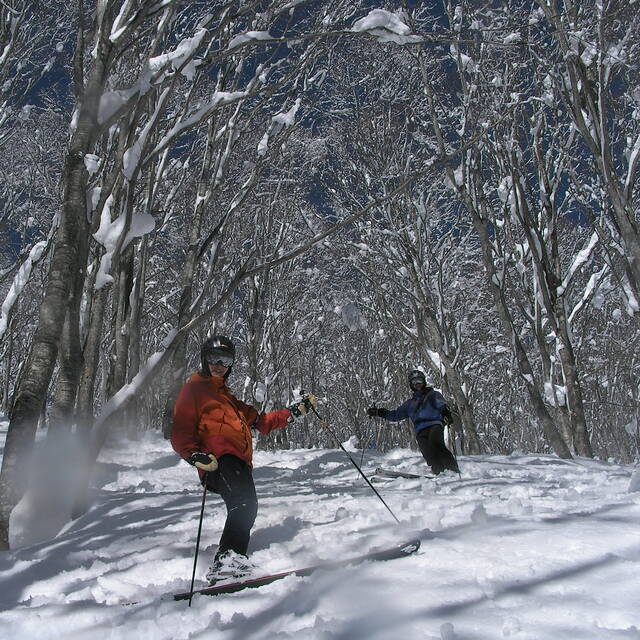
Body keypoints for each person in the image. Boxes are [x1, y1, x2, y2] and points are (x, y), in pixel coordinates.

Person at [170, 334, 316, 584]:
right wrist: (194, 455)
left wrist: (294, 412)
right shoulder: (194, 389)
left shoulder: (231, 401)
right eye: (213, 358)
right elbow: (180, 429)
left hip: (238, 463)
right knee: (244, 503)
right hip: (217, 460)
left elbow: (263, 422)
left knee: (246, 504)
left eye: (225, 360)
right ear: (204, 360)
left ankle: (230, 559)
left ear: (231, 365)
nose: (218, 364)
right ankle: (228, 560)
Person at [367, 369, 459, 475]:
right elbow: (395, 415)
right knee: (427, 453)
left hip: (434, 424)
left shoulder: (433, 395)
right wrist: (379, 412)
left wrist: (446, 414)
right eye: (414, 382)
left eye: (419, 381)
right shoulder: (410, 404)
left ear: (424, 382)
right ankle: (439, 472)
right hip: (420, 430)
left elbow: (442, 405)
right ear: (411, 385)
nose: (417, 384)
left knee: (436, 443)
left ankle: (452, 470)